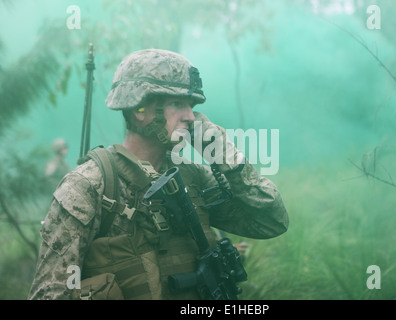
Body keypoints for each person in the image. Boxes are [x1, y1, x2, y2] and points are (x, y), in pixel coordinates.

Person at [28, 49, 288, 300]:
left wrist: (228, 159)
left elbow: (271, 222)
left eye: (191, 105)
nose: (191, 116)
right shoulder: (88, 186)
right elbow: (49, 294)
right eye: (177, 104)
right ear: (139, 111)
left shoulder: (194, 179)